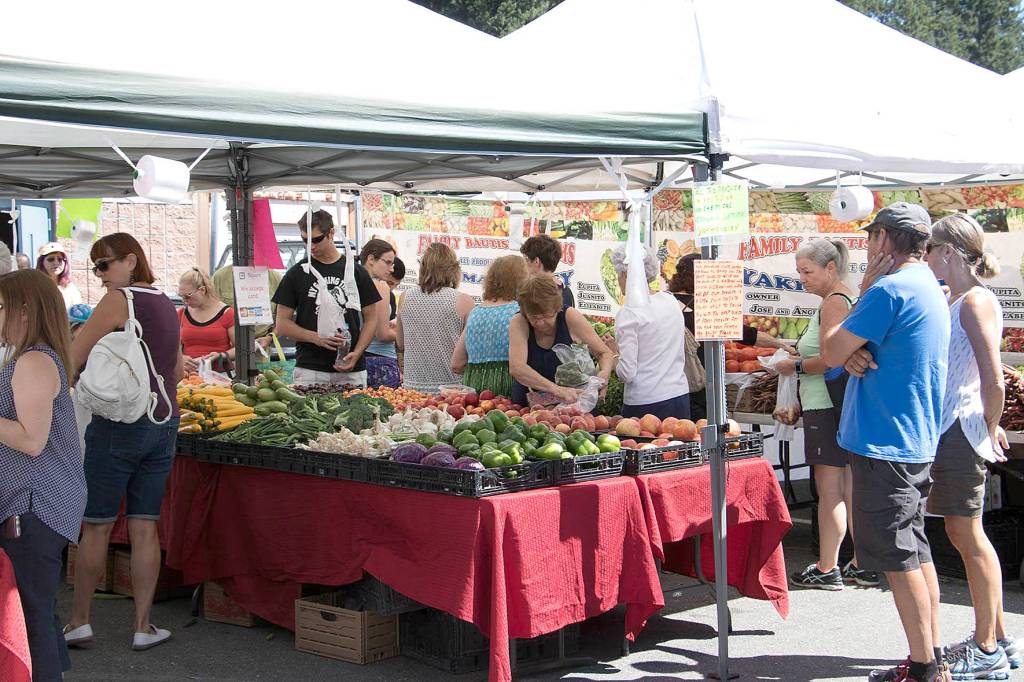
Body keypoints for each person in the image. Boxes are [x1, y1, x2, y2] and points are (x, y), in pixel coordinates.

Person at [822, 203, 951, 682]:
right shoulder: (927, 286)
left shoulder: (890, 288)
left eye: (871, 236)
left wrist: (863, 291)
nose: (868, 246)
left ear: (883, 240)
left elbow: (833, 347)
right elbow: (848, 356)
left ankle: (924, 667)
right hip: (910, 439)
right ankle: (931, 654)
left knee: (901, 561)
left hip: (885, 441)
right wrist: (854, 352)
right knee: (915, 553)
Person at [65, 233, 182, 653]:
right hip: (164, 422)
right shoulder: (167, 302)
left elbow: (74, 354)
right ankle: (143, 625)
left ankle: (79, 622)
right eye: (95, 266)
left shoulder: (120, 300)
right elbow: (178, 369)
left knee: (95, 524)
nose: (99, 275)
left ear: (131, 260)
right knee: (144, 523)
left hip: (118, 424)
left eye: (104, 264)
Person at [924, 214, 1018, 679]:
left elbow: (992, 375)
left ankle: (986, 647)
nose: (924, 257)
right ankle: (998, 638)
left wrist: (989, 423)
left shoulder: (974, 300)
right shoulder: (959, 297)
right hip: (957, 425)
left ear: (948, 251)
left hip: (961, 426)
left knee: (968, 535)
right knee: (965, 534)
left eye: (928, 249)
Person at [0, 269, 87, 681]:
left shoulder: (33, 360)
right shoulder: (33, 357)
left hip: (33, 506)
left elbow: (31, 440)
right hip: (39, 506)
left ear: (23, 310)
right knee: (39, 611)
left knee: (30, 615)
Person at [778, 240, 879, 591]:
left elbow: (830, 358)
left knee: (830, 489)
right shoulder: (841, 300)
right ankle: (860, 562)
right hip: (837, 404)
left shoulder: (835, 303)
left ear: (831, 268)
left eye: (808, 271)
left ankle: (827, 566)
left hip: (827, 404)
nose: (801, 278)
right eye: (799, 271)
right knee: (847, 487)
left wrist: (794, 366)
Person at [669, 253, 794, 420]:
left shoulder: (663, 302)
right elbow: (748, 335)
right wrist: (782, 345)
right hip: (699, 388)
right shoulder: (704, 309)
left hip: (668, 388)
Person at [272, 210, 380, 388]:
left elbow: (371, 319)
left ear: (331, 233)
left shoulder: (356, 272)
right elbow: (282, 324)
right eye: (305, 240)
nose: (311, 246)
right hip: (310, 368)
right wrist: (316, 337)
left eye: (316, 239)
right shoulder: (297, 273)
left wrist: (358, 352)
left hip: (351, 368)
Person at [601, 245, 690, 419]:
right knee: (679, 445)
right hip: (678, 395)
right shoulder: (670, 301)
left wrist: (613, 354)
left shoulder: (629, 313)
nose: (618, 279)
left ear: (627, 275)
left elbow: (627, 373)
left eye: (619, 274)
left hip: (645, 403)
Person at [510, 275, 614, 407]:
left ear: (557, 308)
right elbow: (517, 368)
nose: (541, 323)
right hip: (529, 408)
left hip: (575, 406)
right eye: (534, 317)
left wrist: (604, 373)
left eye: (547, 316)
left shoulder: (570, 316)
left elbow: (604, 353)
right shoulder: (519, 322)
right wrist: (557, 390)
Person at [397, 243, 474, 394]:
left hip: (413, 388)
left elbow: (400, 343)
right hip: (451, 390)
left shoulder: (405, 297)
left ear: (423, 267)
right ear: (454, 268)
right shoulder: (464, 301)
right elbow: (470, 349)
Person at [452, 255, 528, 397]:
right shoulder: (519, 311)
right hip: (510, 391)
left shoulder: (475, 313)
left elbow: (457, 364)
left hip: (474, 394)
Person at [178, 268, 235, 376]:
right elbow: (173, 348)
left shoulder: (227, 313)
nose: (184, 300)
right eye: (181, 296)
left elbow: (240, 349)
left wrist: (220, 356)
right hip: (189, 376)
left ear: (202, 290)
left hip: (219, 376)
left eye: (187, 296)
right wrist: (181, 358)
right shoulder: (182, 314)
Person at [359, 239, 400, 388]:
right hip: (381, 362)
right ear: (371, 259)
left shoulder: (353, 282)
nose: (391, 269)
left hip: (358, 360)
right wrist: (401, 333)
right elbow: (382, 334)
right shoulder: (380, 286)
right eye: (388, 263)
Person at [212, 263, 283, 342]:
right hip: (227, 346)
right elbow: (209, 311)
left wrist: (269, 338)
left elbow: (283, 318)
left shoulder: (275, 278)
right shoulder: (220, 276)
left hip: (260, 346)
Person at [520, 235, 574, 308]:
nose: (524, 265)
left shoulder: (532, 293)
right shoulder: (567, 292)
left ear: (536, 261)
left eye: (526, 260)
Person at [36, 242, 82, 312]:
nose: (56, 263)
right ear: (41, 262)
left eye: (60, 259)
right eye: (51, 259)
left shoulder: (70, 288)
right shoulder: (35, 287)